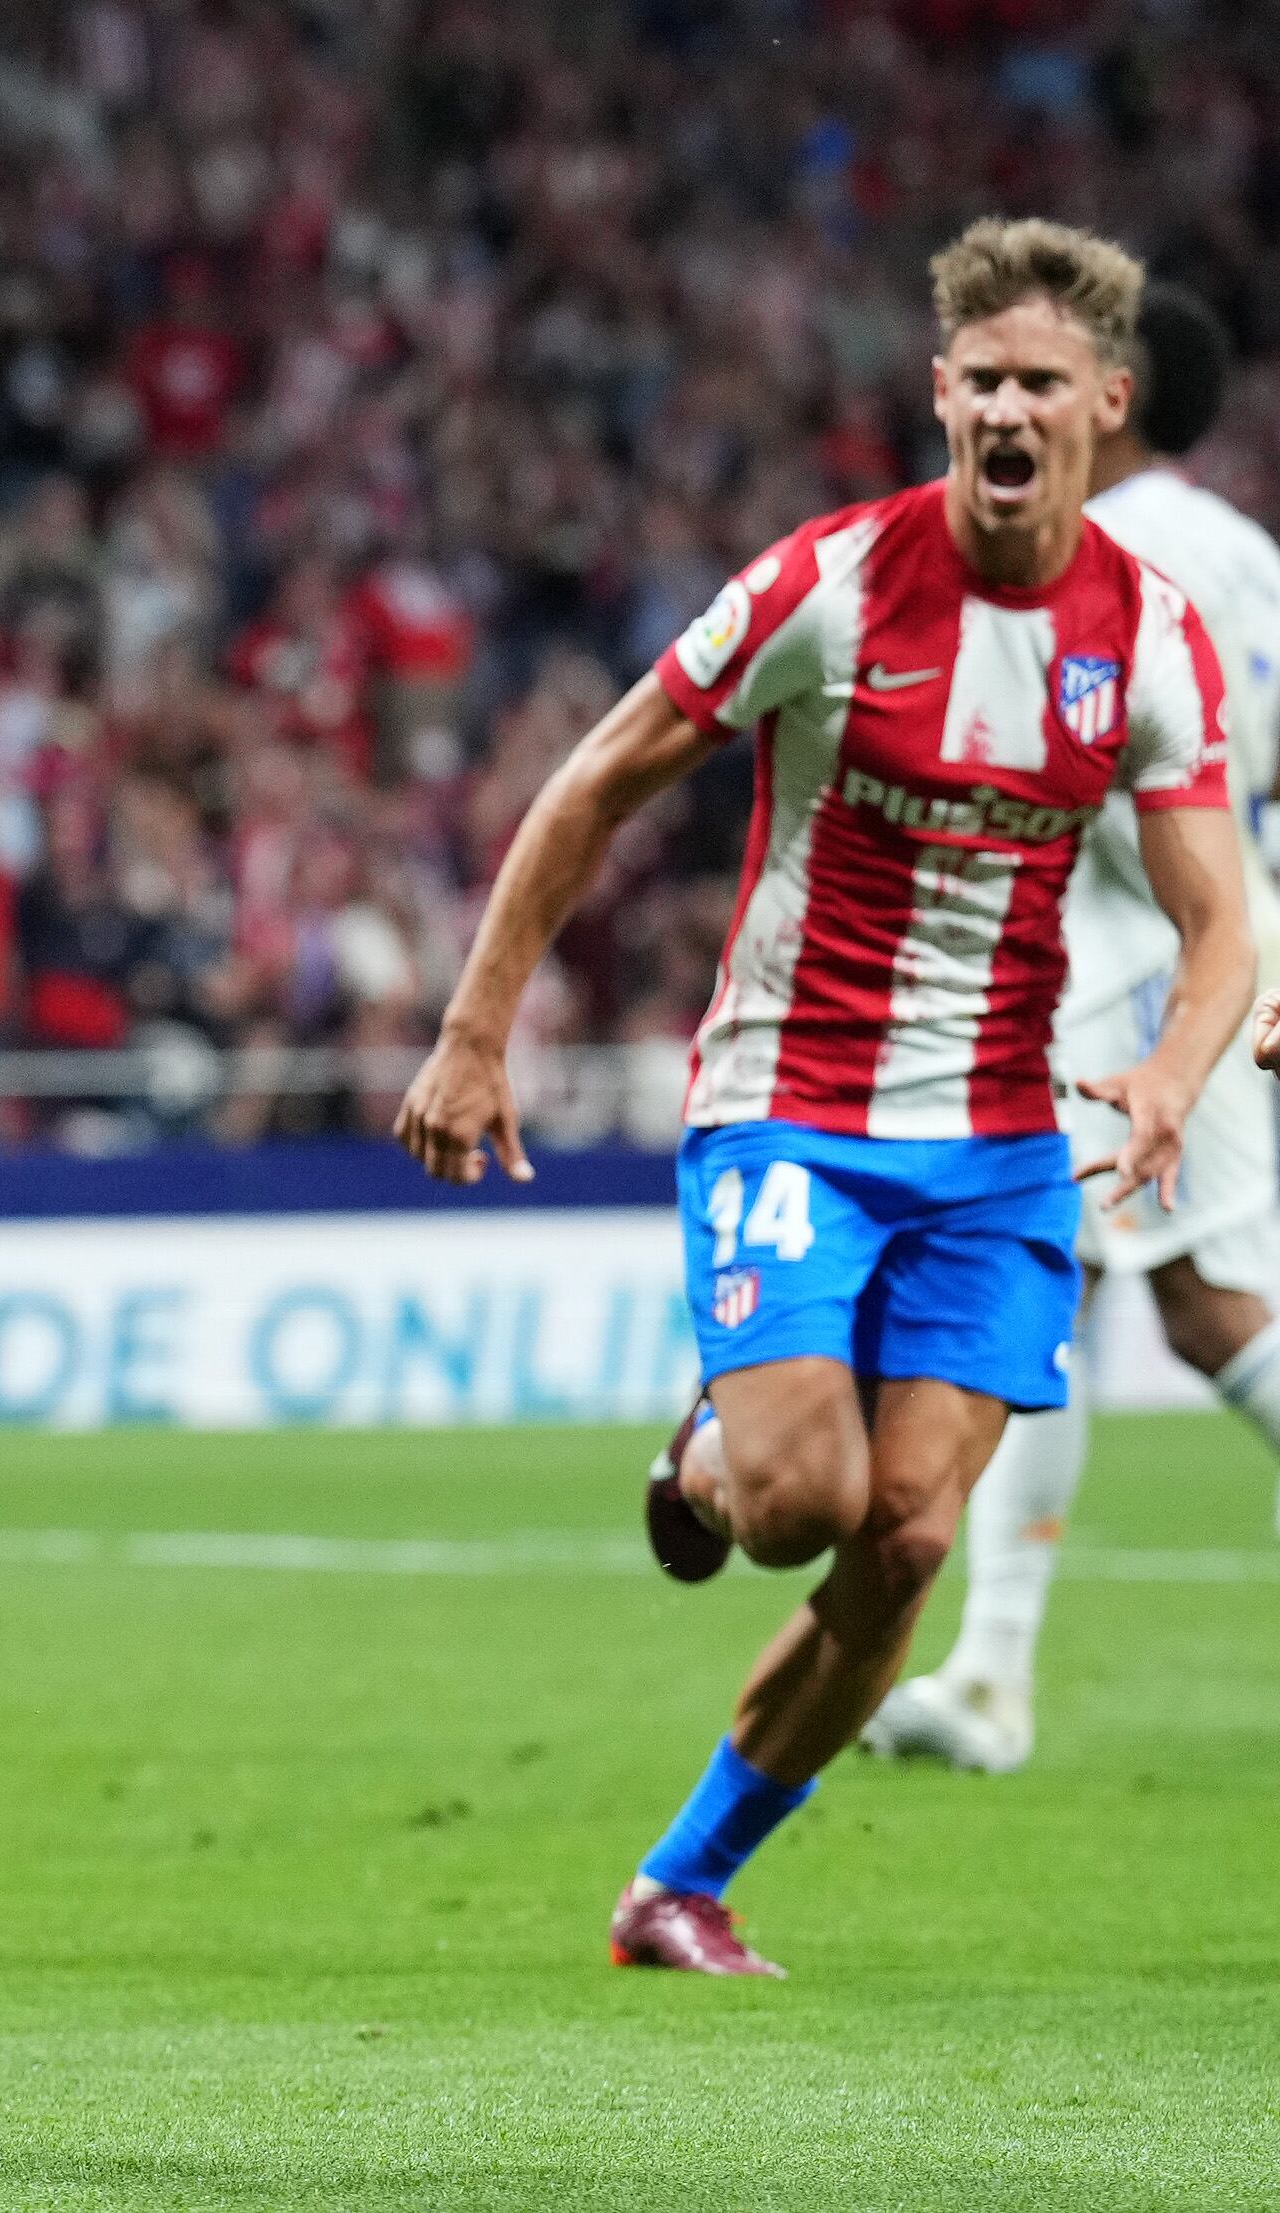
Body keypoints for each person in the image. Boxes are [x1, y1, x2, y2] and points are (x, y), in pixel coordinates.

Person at [394, 219, 1255, 1975]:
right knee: (794, 1504)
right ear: (940, 395)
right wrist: (475, 1027)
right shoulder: (828, 584)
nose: (1006, 409)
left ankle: (677, 1883)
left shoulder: (1150, 634)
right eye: (979, 380)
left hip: (1003, 1142)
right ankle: (709, 1446)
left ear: (1104, 401)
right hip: (792, 1106)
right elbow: (593, 781)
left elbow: (1213, 913)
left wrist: (1173, 1070)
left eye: (1041, 382)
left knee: (904, 1534)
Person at [863, 286, 1280, 1773]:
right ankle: (987, 1677)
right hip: (1212, 938)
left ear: (1113, 391)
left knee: (1206, 1303)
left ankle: (985, 1676)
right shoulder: (1251, 556)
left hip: (1129, 959)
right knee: (1056, 1292)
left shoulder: (1114, 560)